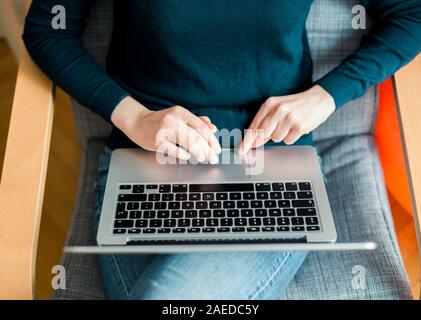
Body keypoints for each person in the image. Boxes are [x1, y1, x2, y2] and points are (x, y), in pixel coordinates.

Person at [23, 0, 421, 299]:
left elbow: (411, 14)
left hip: (271, 162)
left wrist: (326, 96)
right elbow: (47, 28)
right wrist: (133, 117)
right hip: (146, 159)